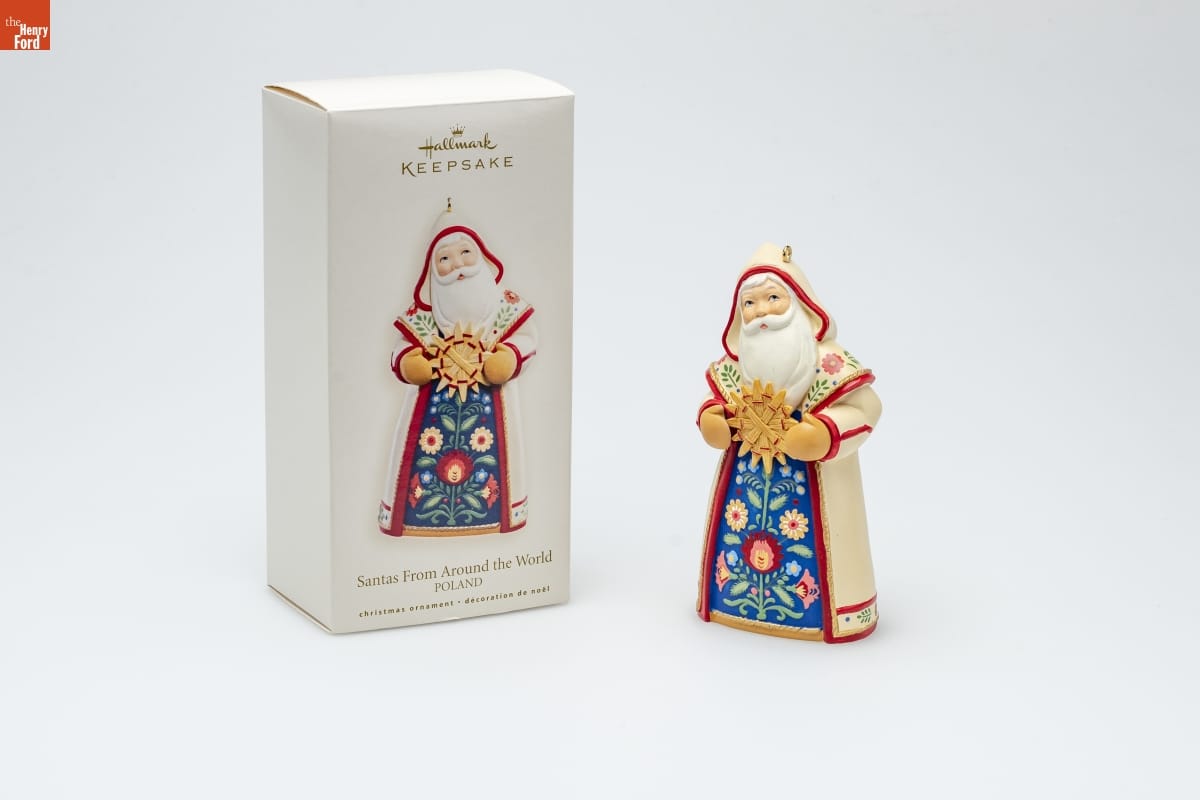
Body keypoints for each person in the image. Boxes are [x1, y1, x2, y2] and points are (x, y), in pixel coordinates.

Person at [696, 243, 882, 641]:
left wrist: (826, 434)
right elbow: (715, 404)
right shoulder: (735, 366)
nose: (761, 312)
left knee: (819, 548)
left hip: (815, 483)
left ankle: (824, 612)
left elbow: (867, 408)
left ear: (799, 302)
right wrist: (712, 421)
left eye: (773, 298)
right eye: (749, 304)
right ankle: (734, 601)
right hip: (744, 486)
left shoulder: (829, 363)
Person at [379, 204, 536, 536]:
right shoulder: (423, 318)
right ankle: (419, 516)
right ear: (432, 271)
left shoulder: (506, 307)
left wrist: (509, 357)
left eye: (465, 253)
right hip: (433, 413)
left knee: (495, 459)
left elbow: (526, 338)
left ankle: (492, 513)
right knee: (423, 460)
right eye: (445, 259)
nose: (457, 266)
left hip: (491, 407)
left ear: (482, 257)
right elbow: (399, 349)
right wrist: (409, 363)